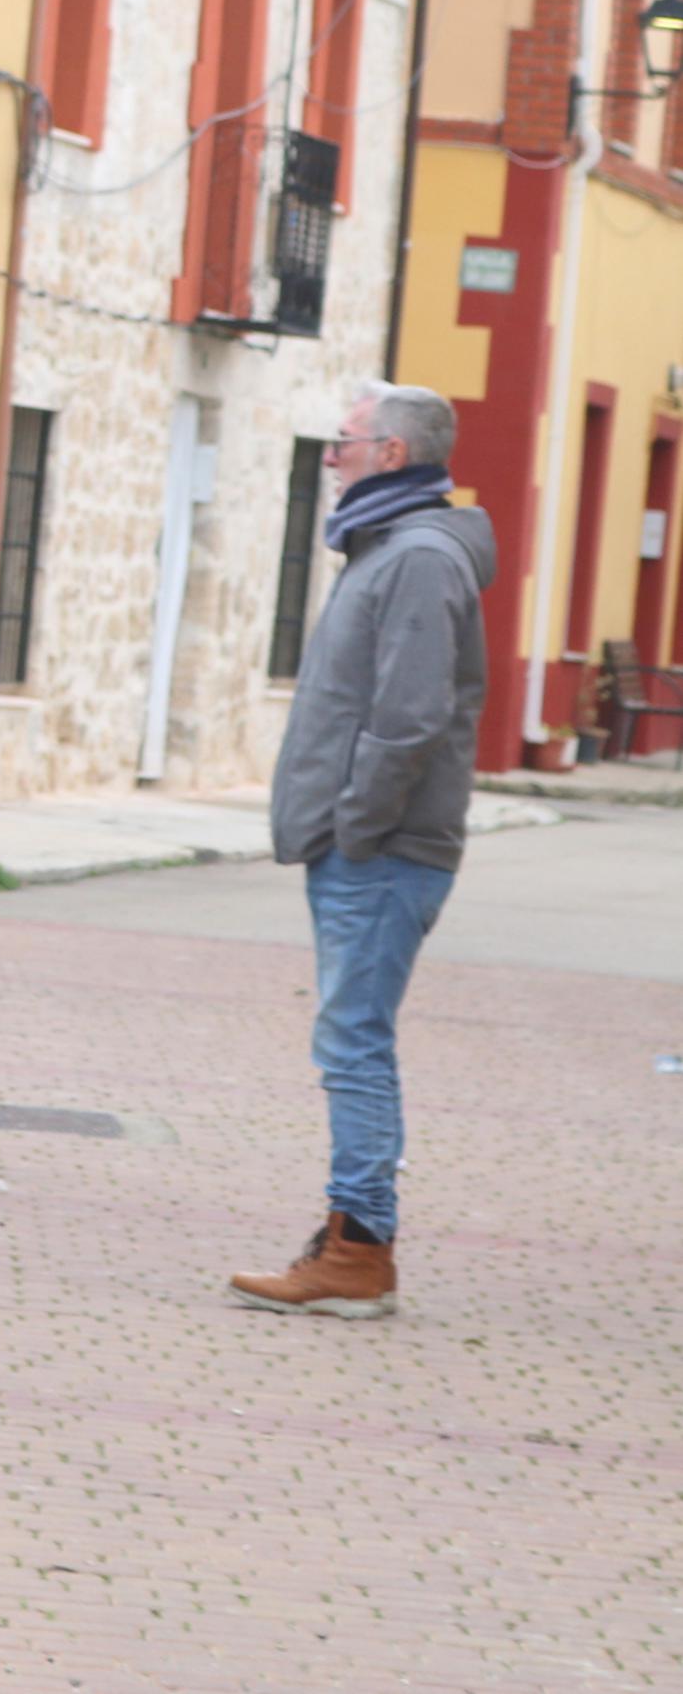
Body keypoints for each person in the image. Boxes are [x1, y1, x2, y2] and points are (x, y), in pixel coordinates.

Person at [230, 383, 492, 1319]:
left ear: (391, 453)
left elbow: (409, 714)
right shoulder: (387, 547)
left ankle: (357, 1250)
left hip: (381, 851)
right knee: (349, 1039)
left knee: (352, 1044)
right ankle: (351, 1239)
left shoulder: (418, 557)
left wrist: (354, 821)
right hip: (363, 844)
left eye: (341, 442)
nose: (328, 456)